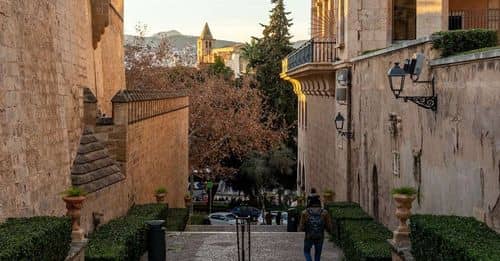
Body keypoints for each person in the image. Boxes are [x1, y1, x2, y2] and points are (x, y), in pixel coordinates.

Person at [299, 192, 332, 261]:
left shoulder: (305, 212)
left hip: (309, 236)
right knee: (317, 254)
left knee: (306, 252)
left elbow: (301, 227)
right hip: (320, 236)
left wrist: (304, 229)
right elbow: (329, 226)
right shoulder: (324, 212)